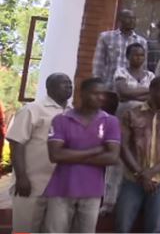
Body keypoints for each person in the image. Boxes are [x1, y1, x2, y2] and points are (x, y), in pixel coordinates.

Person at [43, 78, 121, 233]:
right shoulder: (62, 120)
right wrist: (95, 151)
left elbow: (112, 157)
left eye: (103, 94)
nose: (100, 97)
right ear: (82, 94)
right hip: (61, 189)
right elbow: (55, 155)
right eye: (95, 93)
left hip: (92, 190)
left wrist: (70, 155)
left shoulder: (110, 122)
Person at [114, 77, 160, 233]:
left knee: (154, 228)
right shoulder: (131, 114)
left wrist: (151, 172)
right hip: (133, 179)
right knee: (122, 225)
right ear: (152, 91)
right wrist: (140, 174)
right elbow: (123, 146)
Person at [8, 73, 72, 233]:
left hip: (61, 186)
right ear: (49, 87)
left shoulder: (73, 113)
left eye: (70, 83)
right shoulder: (33, 110)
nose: (69, 86)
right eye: (64, 83)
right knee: (25, 229)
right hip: (32, 184)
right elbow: (16, 143)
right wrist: (21, 177)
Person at [103, 42, 155, 215]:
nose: (138, 58)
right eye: (135, 55)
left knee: (139, 160)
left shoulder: (150, 74)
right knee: (117, 161)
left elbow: (153, 95)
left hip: (145, 124)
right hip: (123, 122)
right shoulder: (121, 71)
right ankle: (109, 203)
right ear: (128, 56)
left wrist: (135, 93)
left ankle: (134, 205)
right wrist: (145, 92)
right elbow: (123, 93)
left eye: (141, 55)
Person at [92, 9, 147, 88]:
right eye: (129, 18)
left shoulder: (141, 41)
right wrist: (97, 83)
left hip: (131, 88)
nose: (132, 21)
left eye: (134, 19)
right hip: (109, 85)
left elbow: (143, 67)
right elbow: (98, 63)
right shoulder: (106, 37)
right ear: (120, 19)